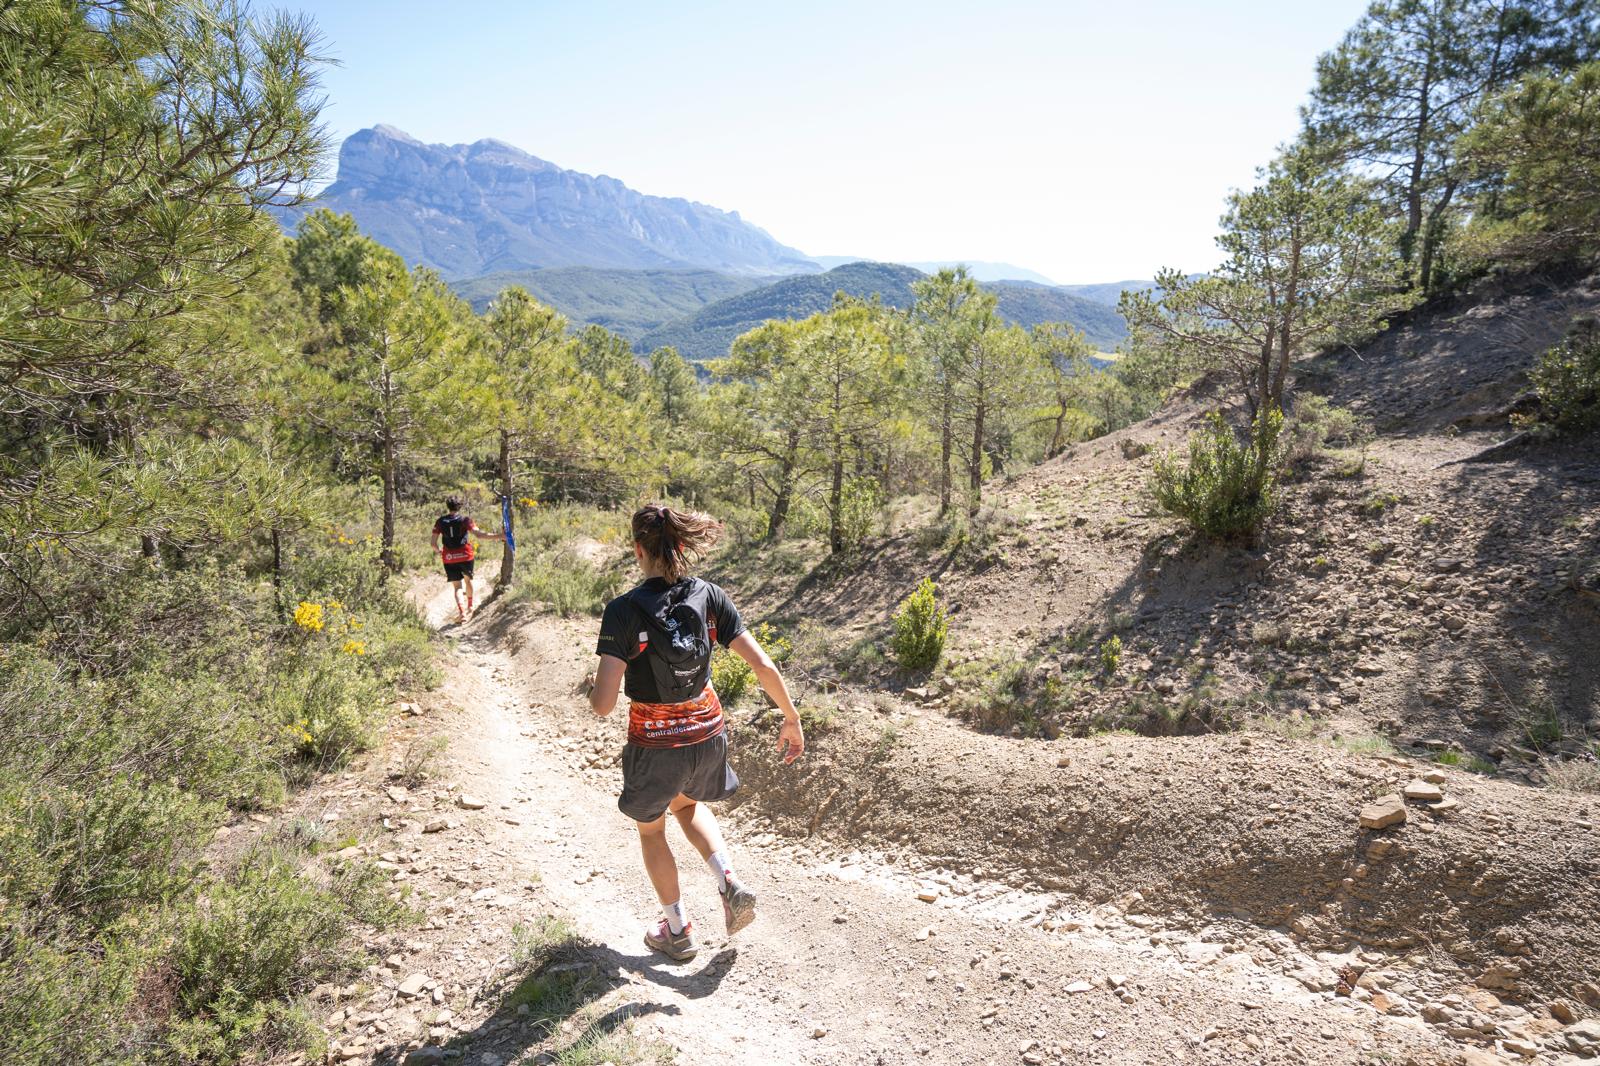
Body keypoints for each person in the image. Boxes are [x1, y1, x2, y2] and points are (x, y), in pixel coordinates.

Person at [586, 504, 804, 962]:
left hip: (655, 743)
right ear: (682, 546)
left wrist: (595, 687)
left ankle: (679, 930)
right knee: (687, 804)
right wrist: (791, 717)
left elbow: (603, 705)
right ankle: (727, 879)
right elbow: (761, 664)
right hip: (707, 733)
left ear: (638, 550)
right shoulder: (710, 595)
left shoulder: (623, 611)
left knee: (651, 831)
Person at [430, 495, 503, 622]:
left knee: (457, 587)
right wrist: (500, 536)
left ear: (448, 506)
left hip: (449, 557)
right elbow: (480, 535)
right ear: (460, 506)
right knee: (468, 581)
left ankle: (462, 612)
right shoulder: (465, 520)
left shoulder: (440, 521)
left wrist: (439, 551)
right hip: (465, 555)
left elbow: (433, 543)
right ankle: (470, 606)